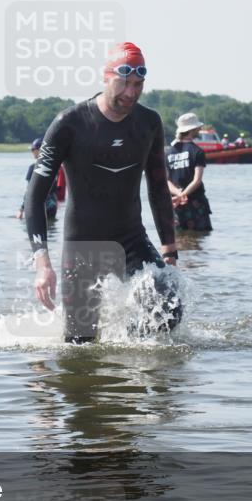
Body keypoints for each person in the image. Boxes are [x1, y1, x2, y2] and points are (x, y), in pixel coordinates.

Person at [24, 42, 180, 343]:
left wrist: (169, 247)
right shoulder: (69, 123)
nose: (131, 93)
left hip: (131, 240)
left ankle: (128, 354)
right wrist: (42, 265)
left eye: (138, 85)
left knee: (168, 309)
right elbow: (35, 197)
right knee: (80, 346)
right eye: (124, 83)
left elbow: (159, 186)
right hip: (82, 248)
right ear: (106, 77)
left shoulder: (148, 123)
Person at [166, 113, 213, 232]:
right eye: (198, 127)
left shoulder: (168, 152)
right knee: (200, 241)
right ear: (192, 130)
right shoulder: (197, 151)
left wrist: (178, 194)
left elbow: (166, 181)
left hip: (175, 204)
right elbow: (197, 181)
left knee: (179, 242)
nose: (200, 129)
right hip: (195, 203)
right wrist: (183, 195)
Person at [16, 138, 59, 220]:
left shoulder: (33, 168)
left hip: (39, 208)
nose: (32, 152)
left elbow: (29, 191)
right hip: (52, 207)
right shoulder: (54, 168)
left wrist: (21, 209)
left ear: (40, 150)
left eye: (33, 149)